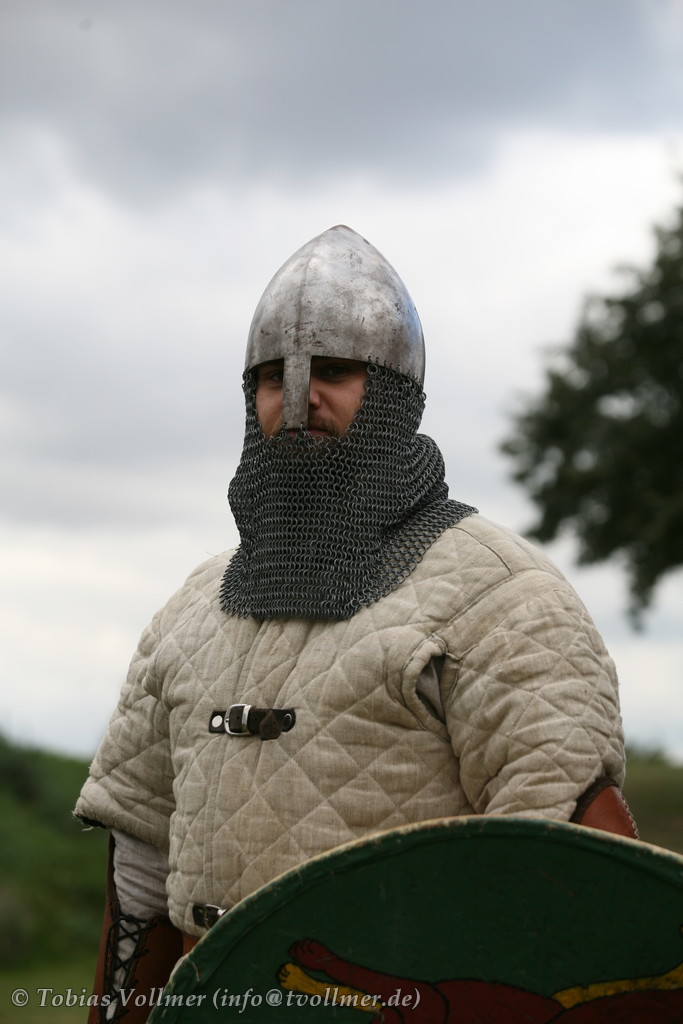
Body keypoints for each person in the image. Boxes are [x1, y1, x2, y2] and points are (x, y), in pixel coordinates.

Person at [75, 225, 636, 1020]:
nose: (299, 395)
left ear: (393, 394)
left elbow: (578, 876)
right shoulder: (190, 613)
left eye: (333, 372)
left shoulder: (500, 598)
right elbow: (140, 874)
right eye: (272, 377)